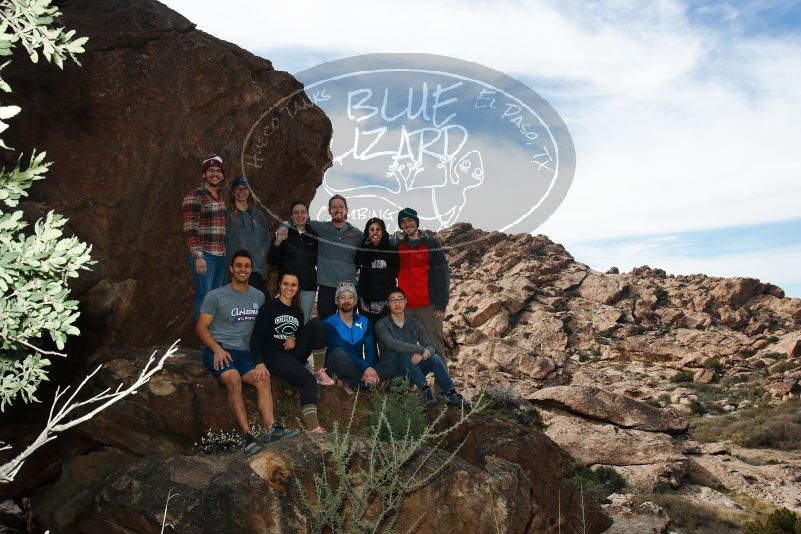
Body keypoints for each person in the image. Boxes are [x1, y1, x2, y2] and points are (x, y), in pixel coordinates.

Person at [196, 249, 300, 456]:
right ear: (231, 269)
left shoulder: (259, 296)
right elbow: (200, 328)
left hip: (246, 354)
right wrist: (216, 348)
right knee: (233, 379)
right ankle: (247, 437)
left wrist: (292, 336)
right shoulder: (216, 295)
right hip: (221, 349)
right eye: (239, 266)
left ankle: (272, 431)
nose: (243, 270)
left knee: (263, 379)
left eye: (247, 266)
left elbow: (271, 324)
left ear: (251, 270)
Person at [251, 271, 334, 433]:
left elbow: (299, 334)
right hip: (274, 356)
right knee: (307, 380)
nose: (289, 288)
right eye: (285, 284)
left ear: (298, 287)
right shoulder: (268, 308)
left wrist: (294, 338)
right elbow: (255, 338)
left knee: (317, 324)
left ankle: (319, 371)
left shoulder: (298, 311)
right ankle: (314, 427)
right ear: (280, 285)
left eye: (293, 285)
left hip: (293, 355)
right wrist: (259, 362)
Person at [375, 287, 471, 409]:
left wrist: (424, 353)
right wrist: (419, 350)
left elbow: (430, 346)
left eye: (400, 299)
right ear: (387, 304)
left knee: (434, 358)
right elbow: (393, 344)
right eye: (392, 300)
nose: (397, 303)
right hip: (392, 375)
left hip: (410, 374)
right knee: (403, 356)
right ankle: (425, 391)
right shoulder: (381, 325)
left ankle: (452, 394)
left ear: (405, 301)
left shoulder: (414, 322)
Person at [394, 207, 450, 359]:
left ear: (416, 222)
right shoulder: (398, 246)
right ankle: (407, 382)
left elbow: (442, 274)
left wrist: (441, 304)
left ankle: (443, 383)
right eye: (403, 222)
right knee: (407, 348)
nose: (407, 224)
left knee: (435, 346)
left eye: (410, 220)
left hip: (428, 307)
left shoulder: (430, 243)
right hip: (406, 308)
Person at [324, 281, 399, 390]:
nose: (346, 301)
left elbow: (370, 351)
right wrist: (366, 368)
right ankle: (370, 382)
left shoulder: (365, 322)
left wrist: (369, 368)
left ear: (355, 301)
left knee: (393, 363)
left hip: (358, 368)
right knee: (339, 353)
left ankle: (355, 383)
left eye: (350, 297)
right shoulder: (329, 323)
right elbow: (340, 349)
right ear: (336, 301)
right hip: (338, 366)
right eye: (342, 297)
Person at [183, 154, 227, 320]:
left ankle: (212, 339)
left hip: (221, 256)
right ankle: (204, 341)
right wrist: (198, 256)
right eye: (210, 170)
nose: (214, 174)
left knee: (215, 299)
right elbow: (190, 228)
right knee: (204, 297)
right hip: (205, 255)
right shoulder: (195, 196)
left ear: (222, 175)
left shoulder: (221, 199)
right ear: (204, 174)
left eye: (218, 171)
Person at [306, 195, 363, 320]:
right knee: (326, 326)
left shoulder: (357, 234)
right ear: (329, 211)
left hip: (349, 287)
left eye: (340, 206)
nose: (337, 209)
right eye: (334, 207)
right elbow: (297, 219)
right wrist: (284, 225)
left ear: (346, 209)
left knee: (349, 326)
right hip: (327, 287)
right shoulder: (320, 228)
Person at [268, 200, 318, 324]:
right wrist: (278, 242)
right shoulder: (283, 232)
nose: (299, 216)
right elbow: (272, 260)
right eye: (295, 213)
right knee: (285, 320)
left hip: (308, 285)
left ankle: (301, 343)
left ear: (307, 214)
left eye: (302, 212)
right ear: (291, 216)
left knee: (304, 320)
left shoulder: (314, 234)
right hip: (288, 285)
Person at [225, 175, 270, 295]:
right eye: (238, 188)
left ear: (249, 192)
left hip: (256, 269)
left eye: (245, 188)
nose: (241, 192)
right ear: (233, 191)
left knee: (262, 306)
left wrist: (262, 254)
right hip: (234, 271)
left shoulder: (258, 214)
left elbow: (266, 239)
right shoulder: (227, 214)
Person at [354, 217, 399, 328]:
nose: (375, 232)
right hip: (365, 301)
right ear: (367, 232)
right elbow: (355, 266)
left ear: (383, 231)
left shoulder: (392, 250)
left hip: (385, 303)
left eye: (378, 229)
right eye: (371, 229)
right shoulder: (362, 249)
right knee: (369, 339)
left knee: (384, 338)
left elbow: (397, 273)